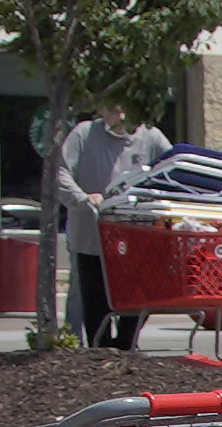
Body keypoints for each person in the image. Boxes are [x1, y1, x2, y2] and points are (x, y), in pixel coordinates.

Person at [54, 101, 172, 349]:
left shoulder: (151, 136)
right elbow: (61, 172)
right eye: (114, 109)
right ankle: (98, 348)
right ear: (101, 110)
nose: (121, 116)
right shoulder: (84, 134)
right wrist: (83, 197)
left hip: (135, 239)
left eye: (125, 109)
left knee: (137, 298)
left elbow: (173, 169)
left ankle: (126, 346)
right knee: (93, 300)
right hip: (92, 238)